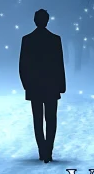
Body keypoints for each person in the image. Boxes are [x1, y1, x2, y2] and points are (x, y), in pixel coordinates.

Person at [18, 9, 66, 163]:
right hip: (51, 86)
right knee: (51, 119)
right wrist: (61, 86)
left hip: (34, 87)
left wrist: (27, 85)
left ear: (34, 20)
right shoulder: (55, 39)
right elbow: (60, 65)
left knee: (37, 119)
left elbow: (22, 66)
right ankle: (49, 151)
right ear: (47, 21)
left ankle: (42, 150)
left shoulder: (27, 39)